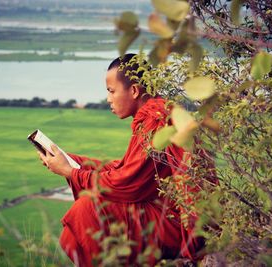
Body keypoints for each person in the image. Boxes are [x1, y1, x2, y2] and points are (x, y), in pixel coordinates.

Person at [38, 53, 215, 266]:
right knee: (73, 234)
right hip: (166, 214)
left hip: (181, 225)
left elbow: (128, 182)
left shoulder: (156, 118)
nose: (108, 99)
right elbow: (126, 168)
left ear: (133, 90)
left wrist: (70, 172)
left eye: (111, 91)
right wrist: (71, 160)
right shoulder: (157, 112)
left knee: (87, 209)